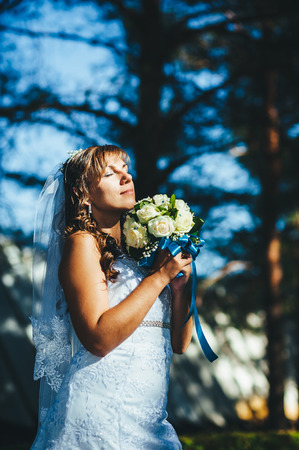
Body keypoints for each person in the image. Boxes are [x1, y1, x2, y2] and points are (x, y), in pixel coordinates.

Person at [30, 145, 193, 449]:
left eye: (125, 169)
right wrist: (160, 278)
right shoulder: (82, 244)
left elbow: (180, 343)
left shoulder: (140, 257)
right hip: (99, 416)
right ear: (85, 193)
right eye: (110, 173)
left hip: (149, 419)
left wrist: (181, 286)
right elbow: (97, 338)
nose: (126, 177)